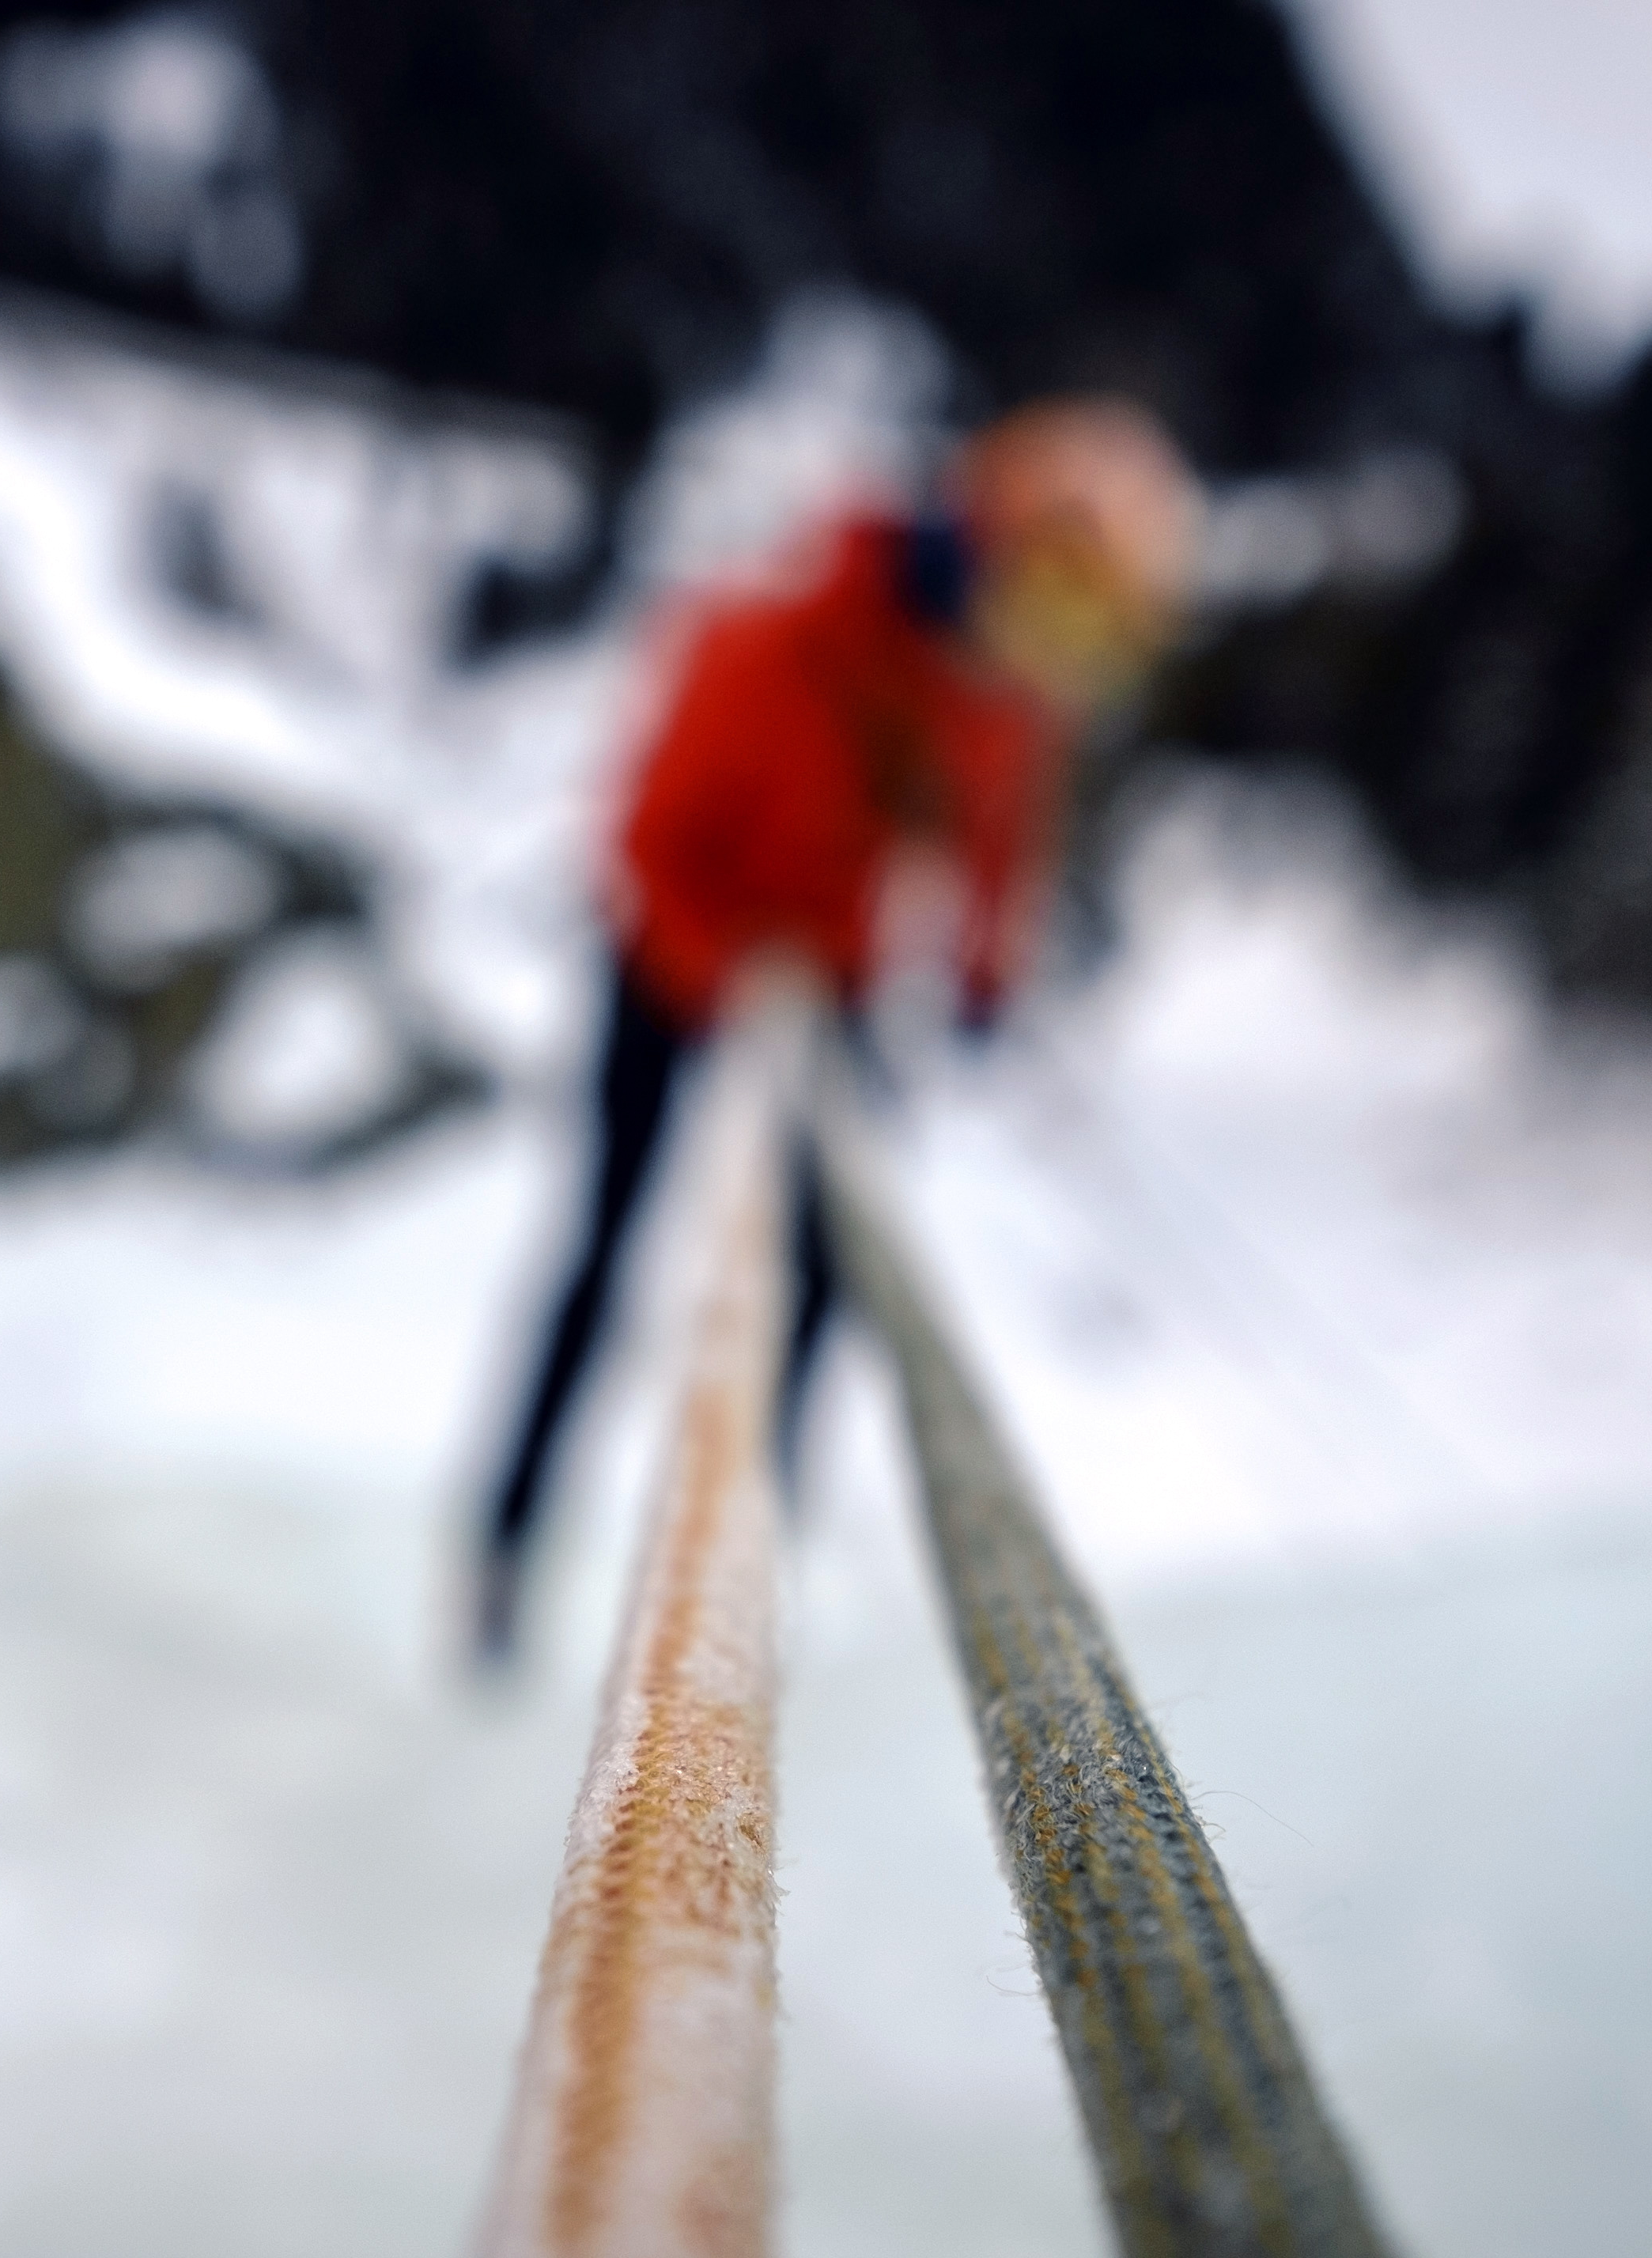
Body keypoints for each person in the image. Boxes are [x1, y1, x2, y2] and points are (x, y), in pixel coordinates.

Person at [471, 398, 1199, 1669]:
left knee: (827, 1273)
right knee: (605, 1248)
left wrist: (983, 973)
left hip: (835, 967)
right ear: (989, 544)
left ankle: (755, 1559)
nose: (1047, 659)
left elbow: (994, 834)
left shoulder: (992, 691)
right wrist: (729, 987)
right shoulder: (764, 640)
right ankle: (509, 1542)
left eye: (1083, 638)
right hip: (676, 963)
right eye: (1052, 610)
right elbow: (644, 847)